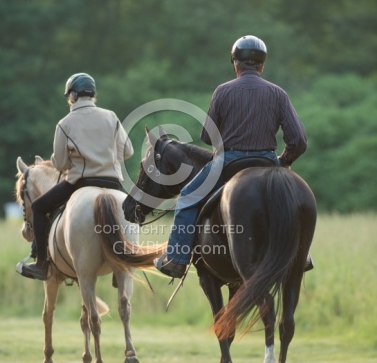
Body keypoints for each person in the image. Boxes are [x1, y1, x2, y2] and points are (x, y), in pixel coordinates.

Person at [154, 35, 309, 278]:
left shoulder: (222, 91)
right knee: (293, 201)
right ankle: (303, 255)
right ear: (262, 65)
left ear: (235, 64)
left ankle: (176, 259)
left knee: (186, 198)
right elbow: (298, 140)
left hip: (228, 163)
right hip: (267, 162)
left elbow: (207, 136)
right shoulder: (278, 94)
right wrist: (283, 161)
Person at [17, 72, 133, 281]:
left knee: (39, 207)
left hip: (80, 183)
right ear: (93, 95)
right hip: (113, 183)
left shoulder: (64, 123)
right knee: (131, 213)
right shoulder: (111, 116)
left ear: (71, 96)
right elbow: (128, 152)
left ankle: (42, 264)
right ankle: (125, 260)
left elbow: (60, 164)